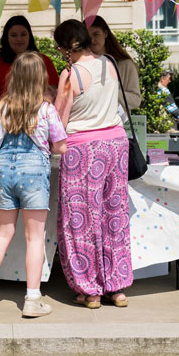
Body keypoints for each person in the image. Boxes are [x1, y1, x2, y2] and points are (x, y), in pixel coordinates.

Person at [0, 53, 67, 318]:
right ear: (41, 79)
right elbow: (60, 145)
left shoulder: (2, 106)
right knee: (34, 238)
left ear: (12, 77)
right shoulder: (46, 109)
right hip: (34, 174)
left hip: (4, 171)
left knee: (3, 232)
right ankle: (32, 299)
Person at [52, 19, 132, 309]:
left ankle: (90, 290)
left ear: (62, 48)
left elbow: (59, 122)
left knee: (81, 221)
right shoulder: (109, 63)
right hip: (116, 145)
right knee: (114, 216)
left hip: (83, 149)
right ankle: (117, 287)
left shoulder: (70, 74)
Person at [0, 15, 59, 112]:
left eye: (23, 34)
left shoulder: (44, 61)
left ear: (29, 35)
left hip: (38, 121)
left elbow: (52, 95)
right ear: (6, 37)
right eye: (13, 35)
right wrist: (5, 120)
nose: (19, 39)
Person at [88, 16, 142, 111]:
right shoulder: (82, 65)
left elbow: (136, 100)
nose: (92, 40)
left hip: (116, 123)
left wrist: (110, 91)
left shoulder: (125, 65)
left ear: (105, 33)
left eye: (96, 34)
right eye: (88, 36)